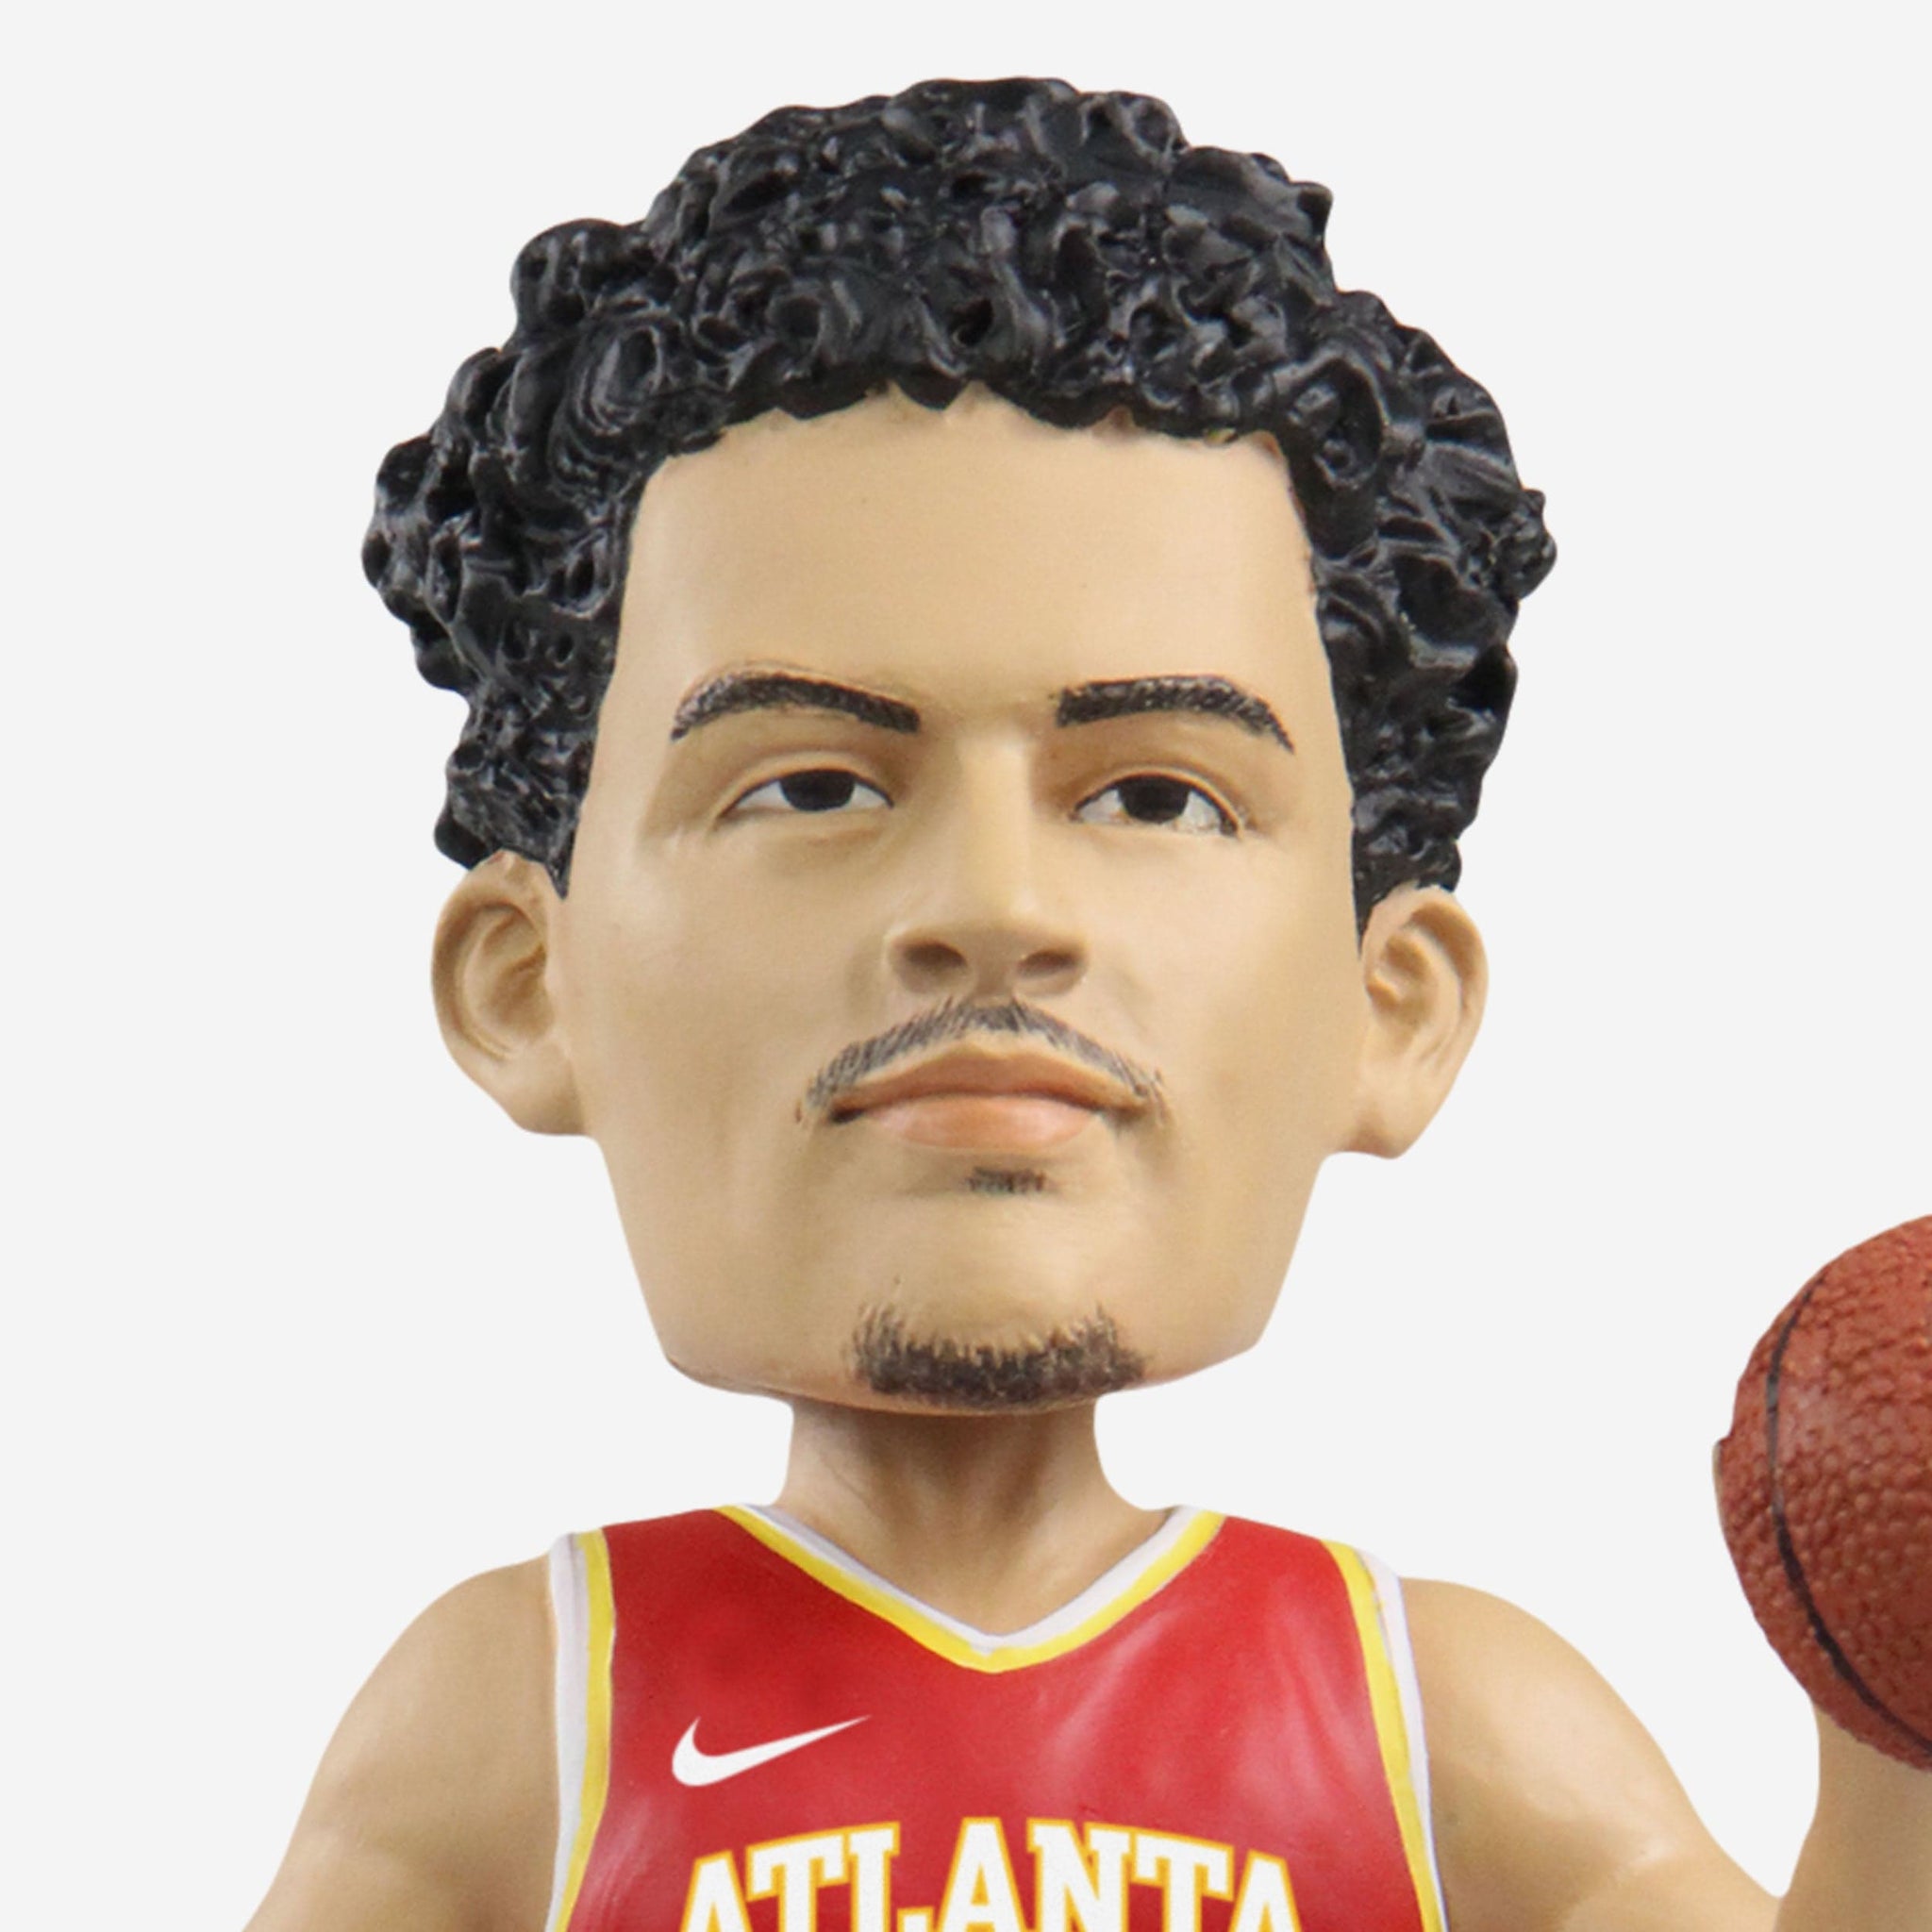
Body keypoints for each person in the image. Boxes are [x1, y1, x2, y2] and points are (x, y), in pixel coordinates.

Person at [247, 76, 1931, 1932]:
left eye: (1151, 798)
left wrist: (1896, 1714)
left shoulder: (1439, 1722)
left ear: (1391, 1004)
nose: (995, 908)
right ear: (524, 983)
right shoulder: (521, 1717)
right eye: (814, 786)